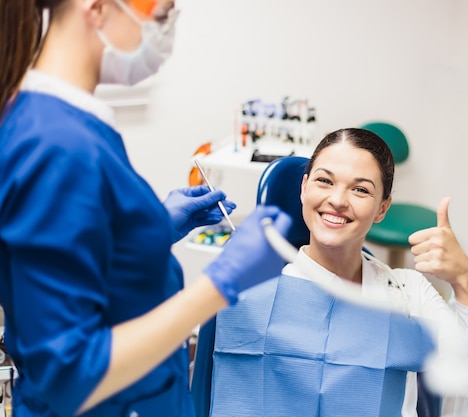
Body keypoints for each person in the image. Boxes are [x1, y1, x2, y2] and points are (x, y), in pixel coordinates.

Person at [0, 1, 292, 416]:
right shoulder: (56, 144)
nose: (166, 30)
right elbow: (68, 373)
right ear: (96, 8)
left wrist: (148, 230)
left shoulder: (65, 124)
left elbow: (76, 253)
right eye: (162, 14)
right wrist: (222, 283)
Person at [209, 128, 468, 416]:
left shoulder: (407, 293)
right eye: (324, 181)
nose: (338, 200)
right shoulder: (251, 290)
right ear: (304, 188)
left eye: (360, 189)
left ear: (382, 208)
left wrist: (467, 281)